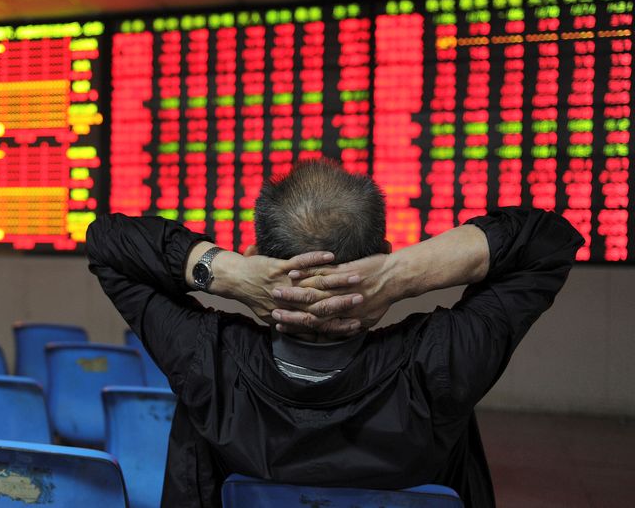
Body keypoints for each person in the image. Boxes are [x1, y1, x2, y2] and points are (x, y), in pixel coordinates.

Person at [86, 160, 582, 508]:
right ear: (382, 250)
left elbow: (108, 242)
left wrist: (231, 274)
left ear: (262, 257)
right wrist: (401, 275)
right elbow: (547, 239)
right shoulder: (440, 364)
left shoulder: (207, 359)